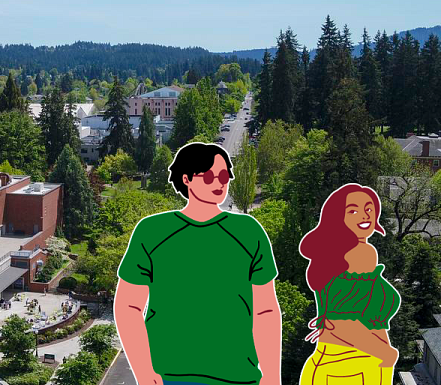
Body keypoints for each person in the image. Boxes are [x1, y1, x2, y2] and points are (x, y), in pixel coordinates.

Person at [114, 143, 281, 385]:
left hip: (239, 377)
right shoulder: (152, 232)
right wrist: (144, 373)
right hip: (170, 377)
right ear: (186, 179)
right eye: (209, 176)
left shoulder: (249, 232)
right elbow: (128, 306)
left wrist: (273, 377)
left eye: (224, 176)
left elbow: (265, 310)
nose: (219, 182)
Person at [297, 184, 401, 384]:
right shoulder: (359, 253)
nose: (364, 216)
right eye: (353, 210)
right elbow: (340, 321)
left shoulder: (334, 252)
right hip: (352, 365)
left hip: (338, 362)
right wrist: (386, 353)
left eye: (369, 209)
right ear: (338, 217)